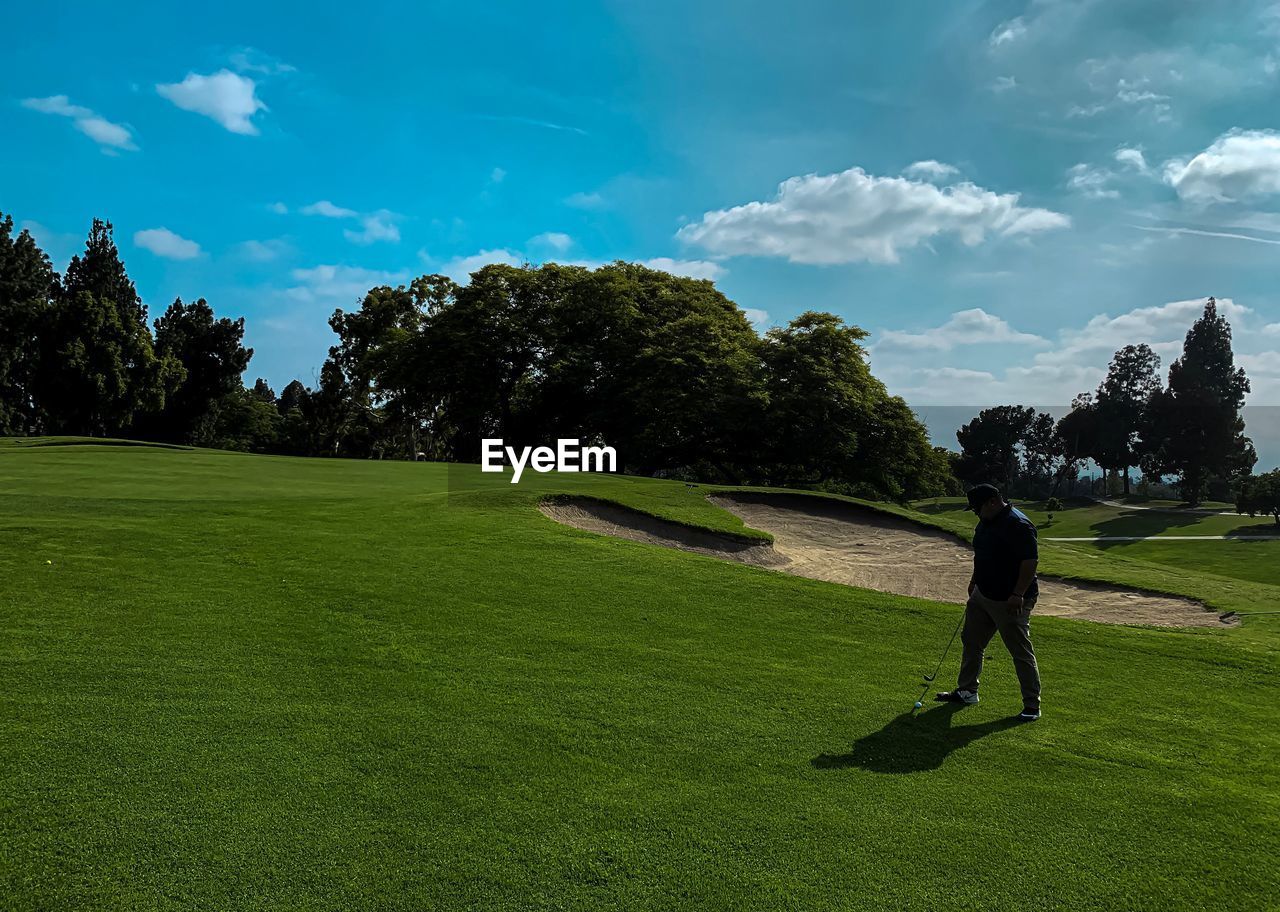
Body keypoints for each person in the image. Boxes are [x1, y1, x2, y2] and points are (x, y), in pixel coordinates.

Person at [936, 483, 1042, 721]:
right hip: (983, 594)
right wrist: (975, 580)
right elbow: (981, 552)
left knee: (1020, 651)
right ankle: (967, 691)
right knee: (971, 642)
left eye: (977, 508)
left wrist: (1018, 594)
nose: (976, 513)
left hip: (1010, 600)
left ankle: (1032, 706)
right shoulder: (986, 521)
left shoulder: (1019, 525)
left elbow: (1029, 562)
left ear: (993, 501)